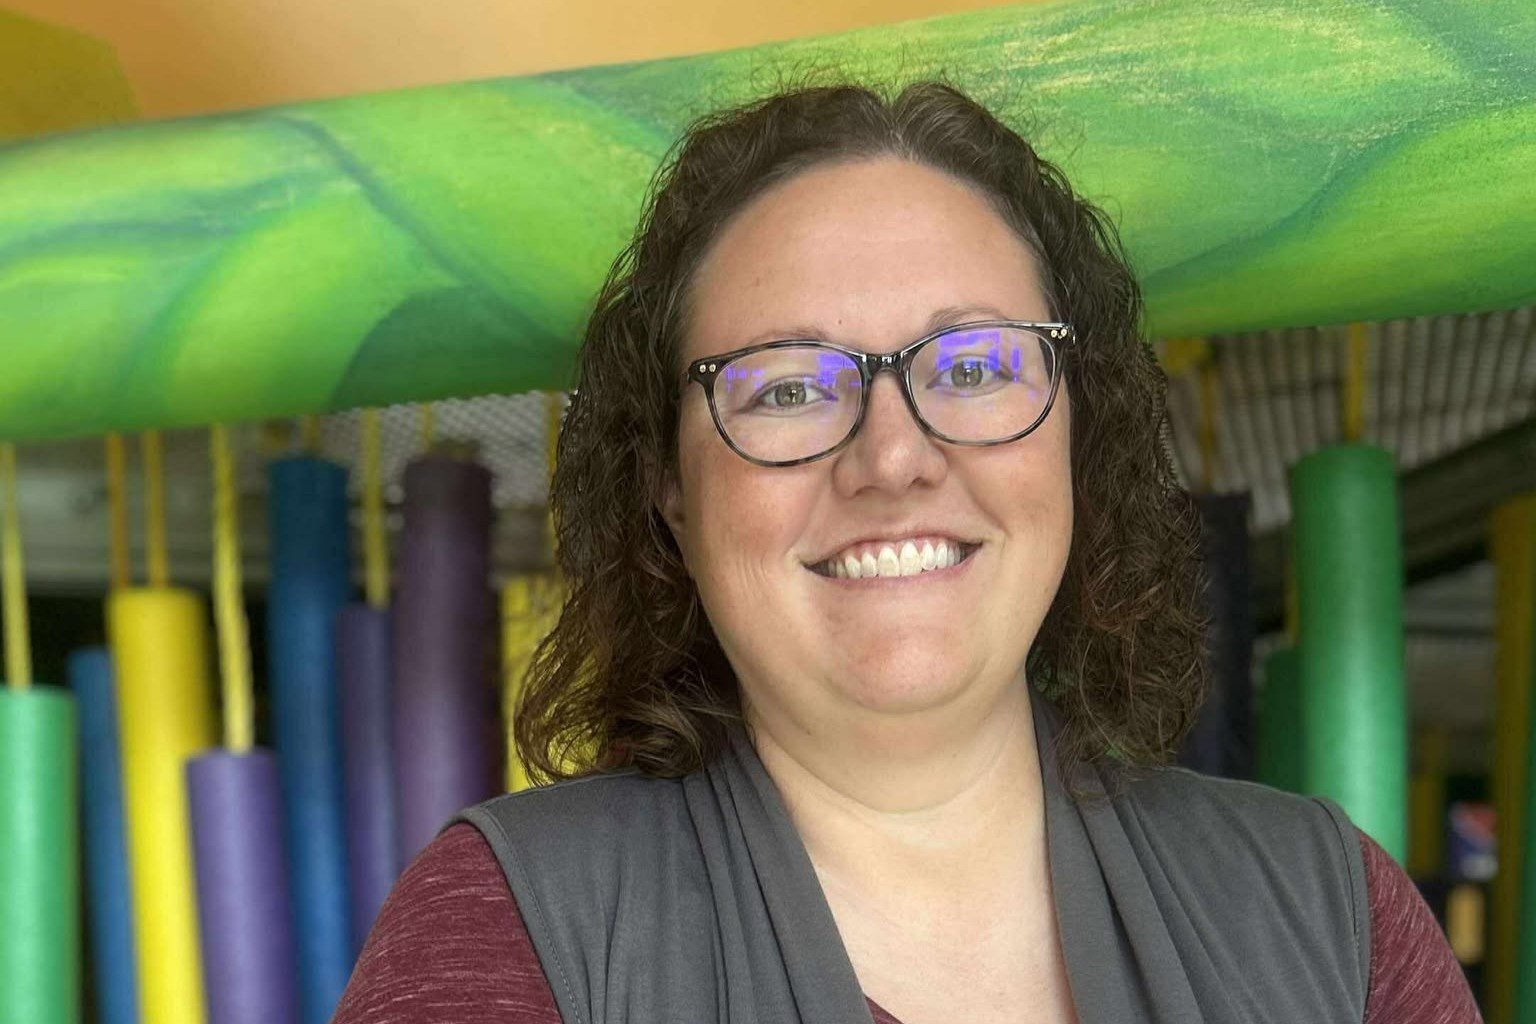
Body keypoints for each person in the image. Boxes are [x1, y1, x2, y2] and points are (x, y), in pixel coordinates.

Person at [332, 79, 1479, 1023]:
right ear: (669, 494)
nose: (893, 456)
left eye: (974, 367)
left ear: (1079, 440)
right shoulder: (515, 927)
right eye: (787, 384)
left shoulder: (1333, 914)